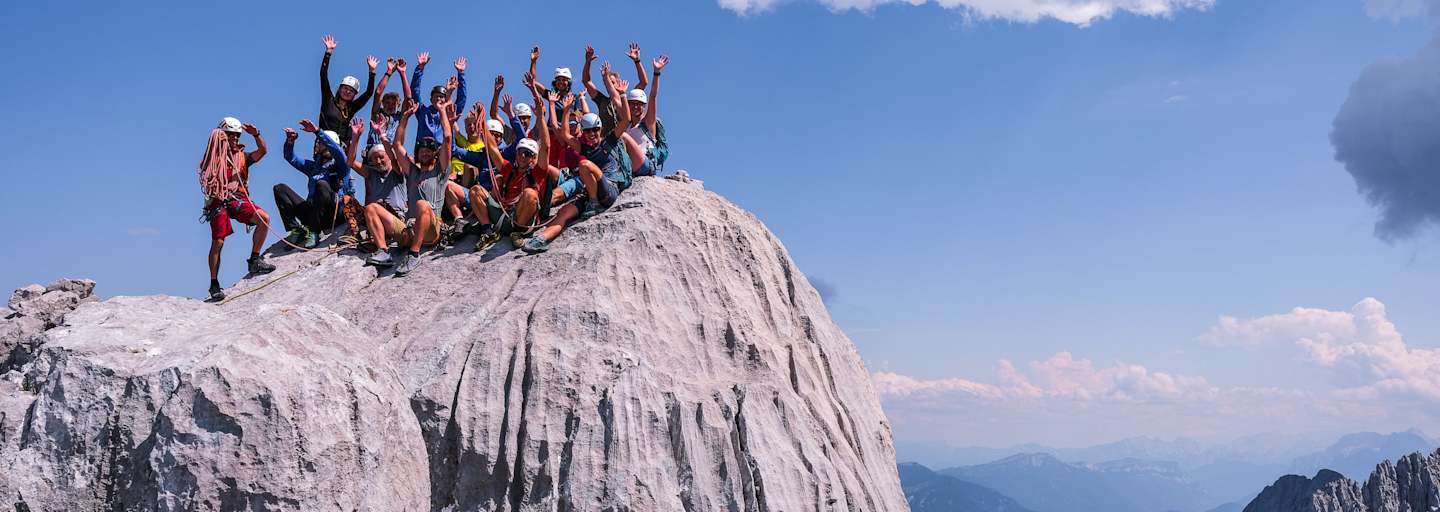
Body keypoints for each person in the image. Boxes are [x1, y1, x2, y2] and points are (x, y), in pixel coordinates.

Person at [521, 64, 643, 254]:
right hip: (590, 190)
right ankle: (541, 239)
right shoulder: (583, 145)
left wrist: (623, 94)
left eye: (595, 129)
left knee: (585, 164)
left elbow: (626, 120)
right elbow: (565, 134)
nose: (592, 134)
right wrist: (567, 109)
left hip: (609, 189)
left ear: (599, 129)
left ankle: (593, 203)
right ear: (584, 133)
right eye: (588, 131)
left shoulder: (608, 141)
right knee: (564, 212)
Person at [454, 75, 557, 252]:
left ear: (533, 157)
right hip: (503, 215)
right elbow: (493, 150)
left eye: (527, 154)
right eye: (520, 153)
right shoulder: (510, 169)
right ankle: (487, 230)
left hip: (520, 218)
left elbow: (546, 148)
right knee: (476, 190)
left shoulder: (537, 172)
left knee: (531, 194)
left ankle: (518, 232)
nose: (523, 157)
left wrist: (540, 117)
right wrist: (482, 125)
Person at [376, 97, 456, 276]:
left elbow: (448, 138)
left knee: (422, 204)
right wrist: (404, 118)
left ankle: (414, 253)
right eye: (422, 150)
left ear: (435, 154)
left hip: (431, 229)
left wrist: (442, 110)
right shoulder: (412, 171)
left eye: (429, 150)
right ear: (418, 153)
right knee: (372, 208)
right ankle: (383, 251)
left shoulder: (441, 172)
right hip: (409, 227)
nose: (425, 152)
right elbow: (397, 145)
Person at [199, 117, 276, 302]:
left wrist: (256, 134)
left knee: (264, 218)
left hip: (238, 199)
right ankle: (214, 284)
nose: (234, 139)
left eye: (237, 136)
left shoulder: (242, 157)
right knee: (218, 242)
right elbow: (205, 167)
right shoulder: (213, 157)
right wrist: (218, 142)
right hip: (218, 201)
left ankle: (254, 260)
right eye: (230, 135)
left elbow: (263, 151)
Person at [276, 119, 352, 247]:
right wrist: (290, 141)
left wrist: (318, 132)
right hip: (313, 212)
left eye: (320, 143)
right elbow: (292, 158)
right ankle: (297, 229)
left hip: (333, 213)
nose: (317, 145)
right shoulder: (314, 167)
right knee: (280, 188)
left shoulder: (341, 165)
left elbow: (338, 152)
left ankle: (315, 232)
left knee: (321, 185)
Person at [344, 118, 409, 266]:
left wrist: (381, 134)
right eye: (375, 159)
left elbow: (393, 157)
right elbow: (350, 162)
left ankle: (383, 251)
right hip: (375, 215)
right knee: (348, 200)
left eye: (381, 157)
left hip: (396, 218)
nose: (379, 162)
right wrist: (355, 138)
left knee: (373, 206)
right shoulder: (372, 173)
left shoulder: (397, 172)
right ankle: (362, 235)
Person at [318, 35, 376, 146]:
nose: (348, 91)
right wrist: (328, 52)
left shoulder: (350, 109)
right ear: (339, 89)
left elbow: (369, 93)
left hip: (341, 150)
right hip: (323, 146)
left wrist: (372, 72)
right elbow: (323, 74)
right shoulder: (328, 100)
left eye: (351, 91)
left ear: (354, 95)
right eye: (345, 88)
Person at [623, 54, 670, 177]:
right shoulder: (626, 125)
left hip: (646, 165)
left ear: (644, 106)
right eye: (632, 104)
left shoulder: (648, 123)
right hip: (632, 168)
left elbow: (653, 96)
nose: (636, 107)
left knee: (622, 136)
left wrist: (656, 72)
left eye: (639, 104)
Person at [409, 52, 467, 143]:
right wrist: (420, 68)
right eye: (436, 97)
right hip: (424, 151)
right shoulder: (422, 111)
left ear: (445, 100)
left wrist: (461, 74)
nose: (438, 99)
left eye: (441, 97)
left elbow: (462, 99)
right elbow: (414, 90)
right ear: (431, 99)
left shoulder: (449, 113)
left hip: (443, 152)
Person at [367, 57, 412, 146]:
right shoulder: (377, 114)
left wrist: (402, 73)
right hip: (374, 150)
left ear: (398, 105)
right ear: (382, 103)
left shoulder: (400, 117)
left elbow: (408, 98)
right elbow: (378, 93)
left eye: (393, 103)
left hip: (393, 153)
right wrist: (389, 72)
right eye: (387, 103)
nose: (390, 106)